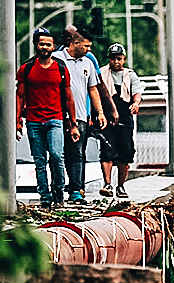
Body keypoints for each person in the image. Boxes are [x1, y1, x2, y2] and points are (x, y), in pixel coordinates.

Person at [15, 28, 77, 207]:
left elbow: (68, 96)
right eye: (41, 44)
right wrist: (18, 120)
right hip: (33, 121)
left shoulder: (60, 68)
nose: (45, 47)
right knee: (40, 161)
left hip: (55, 120)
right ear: (36, 45)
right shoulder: (26, 69)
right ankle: (45, 198)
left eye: (48, 44)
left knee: (57, 156)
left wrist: (73, 124)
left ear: (53, 46)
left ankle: (58, 193)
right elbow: (20, 96)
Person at [52, 28, 107, 202]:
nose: (88, 50)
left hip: (81, 116)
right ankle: (57, 189)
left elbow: (93, 89)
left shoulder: (87, 63)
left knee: (76, 153)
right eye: (86, 46)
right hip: (58, 115)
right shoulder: (57, 60)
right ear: (75, 43)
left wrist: (100, 112)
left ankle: (76, 190)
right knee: (56, 153)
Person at [98, 43, 143, 199]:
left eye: (119, 59)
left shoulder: (130, 75)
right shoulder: (102, 73)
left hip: (125, 117)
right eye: (113, 58)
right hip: (107, 117)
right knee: (107, 150)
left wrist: (135, 103)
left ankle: (121, 185)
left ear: (124, 59)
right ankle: (107, 183)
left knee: (125, 152)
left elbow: (136, 92)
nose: (116, 62)